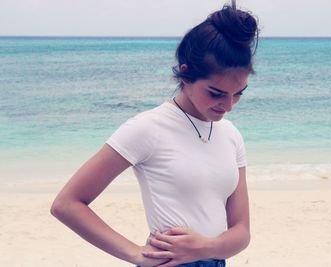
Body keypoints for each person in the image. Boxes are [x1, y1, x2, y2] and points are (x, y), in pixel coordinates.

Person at [51, 3, 258, 267]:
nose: (228, 106)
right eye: (216, 93)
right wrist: (135, 253)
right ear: (186, 74)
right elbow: (67, 204)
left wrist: (206, 247)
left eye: (239, 93)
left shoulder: (231, 135)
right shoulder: (148, 128)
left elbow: (241, 233)